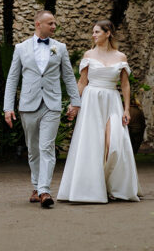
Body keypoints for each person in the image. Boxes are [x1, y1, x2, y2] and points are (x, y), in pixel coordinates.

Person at [3, 10, 81, 208]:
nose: (54, 26)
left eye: (55, 23)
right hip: (28, 105)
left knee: (47, 147)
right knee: (33, 150)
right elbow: (13, 78)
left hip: (52, 104)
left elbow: (69, 77)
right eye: (50, 23)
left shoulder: (60, 48)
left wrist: (75, 102)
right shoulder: (21, 48)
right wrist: (7, 108)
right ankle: (36, 186)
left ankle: (45, 190)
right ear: (38, 24)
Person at [58, 19, 141, 203]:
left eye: (97, 32)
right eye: (93, 32)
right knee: (93, 144)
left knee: (114, 145)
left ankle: (114, 185)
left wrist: (127, 109)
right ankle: (94, 187)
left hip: (112, 100)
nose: (93, 35)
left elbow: (125, 85)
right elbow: (82, 82)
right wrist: (73, 104)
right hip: (91, 100)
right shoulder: (89, 54)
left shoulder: (121, 57)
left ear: (108, 33)